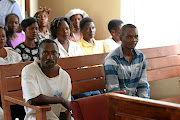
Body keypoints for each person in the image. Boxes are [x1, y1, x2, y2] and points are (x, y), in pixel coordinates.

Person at [21, 39, 72, 120]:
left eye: (53, 53)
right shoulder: (29, 71)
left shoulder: (65, 76)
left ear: (58, 55)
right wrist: (61, 100)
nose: (50, 57)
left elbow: (65, 110)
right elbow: (32, 99)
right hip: (37, 117)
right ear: (38, 55)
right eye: (45, 53)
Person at [104, 24, 150, 98]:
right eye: (129, 37)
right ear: (121, 38)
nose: (133, 40)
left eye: (136, 36)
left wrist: (144, 103)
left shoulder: (140, 56)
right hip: (120, 102)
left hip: (136, 100)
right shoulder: (111, 59)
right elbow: (114, 91)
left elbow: (143, 85)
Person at [0, 26, 24, 120]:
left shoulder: (12, 53)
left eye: (3, 36)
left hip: (16, 90)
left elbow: (22, 71)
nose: (1, 38)